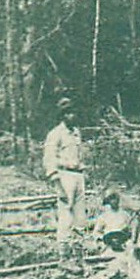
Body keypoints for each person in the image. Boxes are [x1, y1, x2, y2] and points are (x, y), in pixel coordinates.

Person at [42, 99, 86, 249]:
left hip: (78, 175)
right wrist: (58, 184)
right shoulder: (55, 134)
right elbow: (49, 160)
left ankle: (79, 253)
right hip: (65, 176)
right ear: (62, 116)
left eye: (73, 112)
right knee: (66, 216)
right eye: (68, 113)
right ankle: (64, 254)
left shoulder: (76, 133)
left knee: (80, 218)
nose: (72, 116)